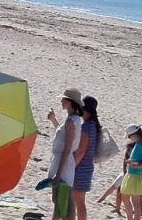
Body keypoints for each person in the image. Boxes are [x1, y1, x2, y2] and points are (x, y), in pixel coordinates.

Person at [47, 89, 83, 220]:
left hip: (63, 164)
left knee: (61, 204)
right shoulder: (73, 119)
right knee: (64, 202)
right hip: (65, 162)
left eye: (63, 99)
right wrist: (54, 120)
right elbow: (66, 139)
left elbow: (67, 148)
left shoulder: (70, 121)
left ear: (69, 102)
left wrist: (58, 173)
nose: (61, 101)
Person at [72, 96, 100, 220]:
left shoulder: (86, 127)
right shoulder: (93, 126)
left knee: (78, 202)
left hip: (81, 168)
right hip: (87, 167)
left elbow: (81, 151)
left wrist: (71, 167)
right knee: (80, 201)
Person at [120, 124, 142, 220]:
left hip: (135, 176)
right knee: (129, 198)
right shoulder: (139, 143)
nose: (129, 138)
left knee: (134, 201)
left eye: (130, 136)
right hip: (134, 175)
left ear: (135, 134)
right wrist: (131, 162)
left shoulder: (141, 145)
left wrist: (135, 165)